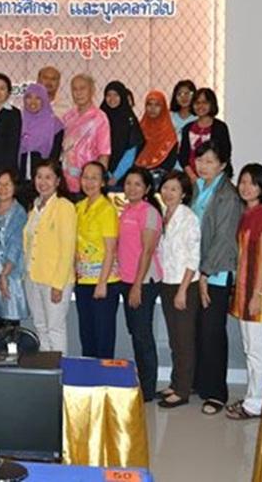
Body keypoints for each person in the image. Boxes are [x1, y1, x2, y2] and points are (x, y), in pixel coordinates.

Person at [192, 140, 244, 416]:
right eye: (200, 160)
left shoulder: (227, 195)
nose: (203, 166)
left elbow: (224, 239)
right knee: (198, 331)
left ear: (223, 165)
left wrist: (205, 272)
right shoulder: (199, 187)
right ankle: (201, 383)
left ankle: (216, 392)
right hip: (196, 271)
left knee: (212, 332)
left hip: (216, 273)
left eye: (210, 161)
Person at [227, 163, 262, 420]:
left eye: (253, 183)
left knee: (258, 351)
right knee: (250, 349)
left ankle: (257, 403)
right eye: (243, 181)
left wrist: (257, 294)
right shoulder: (247, 213)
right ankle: (252, 396)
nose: (246, 187)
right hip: (244, 289)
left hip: (258, 290)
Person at [116, 167, 163, 402]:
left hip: (143, 281)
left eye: (137, 184)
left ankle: (148, 388)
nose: (132, 188)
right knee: (135, 332)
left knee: (143, 335)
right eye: (128, 183)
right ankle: (142, 382)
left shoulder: (149, 212)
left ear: (146, 189)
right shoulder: (125, 211)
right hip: (125, 280)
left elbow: (147, 251)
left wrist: (137, 286)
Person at [156, 170, 200, 409]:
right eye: (165, 187)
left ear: (183, 193)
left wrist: (183, 290)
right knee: (174, 339)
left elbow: (194, 257)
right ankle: (176, 383)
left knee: (184, 340)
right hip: (167, 282)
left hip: (185, 285)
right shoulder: (165, 214)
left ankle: (183, 390)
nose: (168, 193)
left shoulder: (188, 217)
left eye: (174, 189)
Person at [24, 159, 77, 354]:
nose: (42, 182)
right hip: (33, 277)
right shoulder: (35, 206)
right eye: (39, 177)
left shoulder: (64, 206)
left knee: (55, 328)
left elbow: (67, 248)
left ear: (57, 181)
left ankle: (59, 368)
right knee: (40, 327)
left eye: (48, 177)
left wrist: (58, 285)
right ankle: (46, 367)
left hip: (55, 279)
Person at [73, 161, 120, 358]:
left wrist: (102, 283)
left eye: (94, 178)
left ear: (102, 182)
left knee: (103, 338)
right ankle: (89, 375)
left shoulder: (107, 209)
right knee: (87, 336)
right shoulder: (78, 207)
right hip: (83, 281)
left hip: (103, 282)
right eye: (86, 177)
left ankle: (104, 375)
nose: (89, 182)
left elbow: (111, 250)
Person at [0, 169, 29, 332]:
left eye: (7, 184)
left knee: (10, 329)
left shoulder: (18, 212)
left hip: (9, 276)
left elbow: (16, 246)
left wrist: (4, 275)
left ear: (15, 187)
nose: (3, 188)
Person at [61, 74, 111, 197]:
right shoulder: (68, 116)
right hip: (66, 182)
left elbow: (104, 154)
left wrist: (98, 184)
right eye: (74, 89)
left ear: (92, 90)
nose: (78, 93)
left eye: (82, 88)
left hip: (88, 185)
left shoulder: (99, 117)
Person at [178, 88, 231, 183]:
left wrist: (211, 178)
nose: (200, 106)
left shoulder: (220, 127)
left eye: (205, 102)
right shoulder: (187, 128)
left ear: (212, 104)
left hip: (215, 178)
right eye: (197, 103)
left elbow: (225, 153)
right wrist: (193, 177)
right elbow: (183, 156)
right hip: (191, 178)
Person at [102, 81, 144, 188]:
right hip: (99, 174)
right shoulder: (100, 117)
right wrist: (101, 172)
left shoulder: (129, 120)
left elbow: (131, 151)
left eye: (116, 95)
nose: (112, 99)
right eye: (108, 95)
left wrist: (115, 176)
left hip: (122, 177)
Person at [135, 90, 180, 181]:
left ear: (163, 108)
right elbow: (133, 155)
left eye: (157, 105)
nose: (152, 108)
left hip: (160, 177)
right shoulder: (139, 129)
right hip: (138, 175)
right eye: (149, 104)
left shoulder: (168, 133)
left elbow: (169, 163)